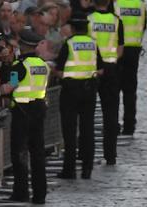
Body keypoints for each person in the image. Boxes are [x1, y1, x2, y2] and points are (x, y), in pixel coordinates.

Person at [7, 29, 50, 204]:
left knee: (19, 153)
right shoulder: (43, 64)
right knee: (38, 153)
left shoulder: (19, 65)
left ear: (23, 45)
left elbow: (12, 85)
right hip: (39, 110)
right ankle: (40, 193)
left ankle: (21, 191)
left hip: (21, 111)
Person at [57, 14, 102, 180]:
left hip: (70, 90)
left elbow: (60, 70)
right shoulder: (93, 44)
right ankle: (87, 169)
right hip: (89, 89)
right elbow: (101, 68)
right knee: (87, 130)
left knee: (69, 132)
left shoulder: (69, 43)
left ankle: (69, 170)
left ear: (73, 29)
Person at [88, 0, 123, 165]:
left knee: (87, 113)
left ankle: (86, 153)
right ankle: (111, 154)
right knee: (111, 113)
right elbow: (120, 47)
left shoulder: (89, 20)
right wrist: (112, 61)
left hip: (91, 68)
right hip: (110, 68)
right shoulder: (116, 20)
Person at [115, 0, 146, 136]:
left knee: (113, 89)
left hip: (115, 49)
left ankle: (113, 124)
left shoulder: (116, 4)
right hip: (133, 49)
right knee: (130, 89)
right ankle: (129, 124)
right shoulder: (141, 5)